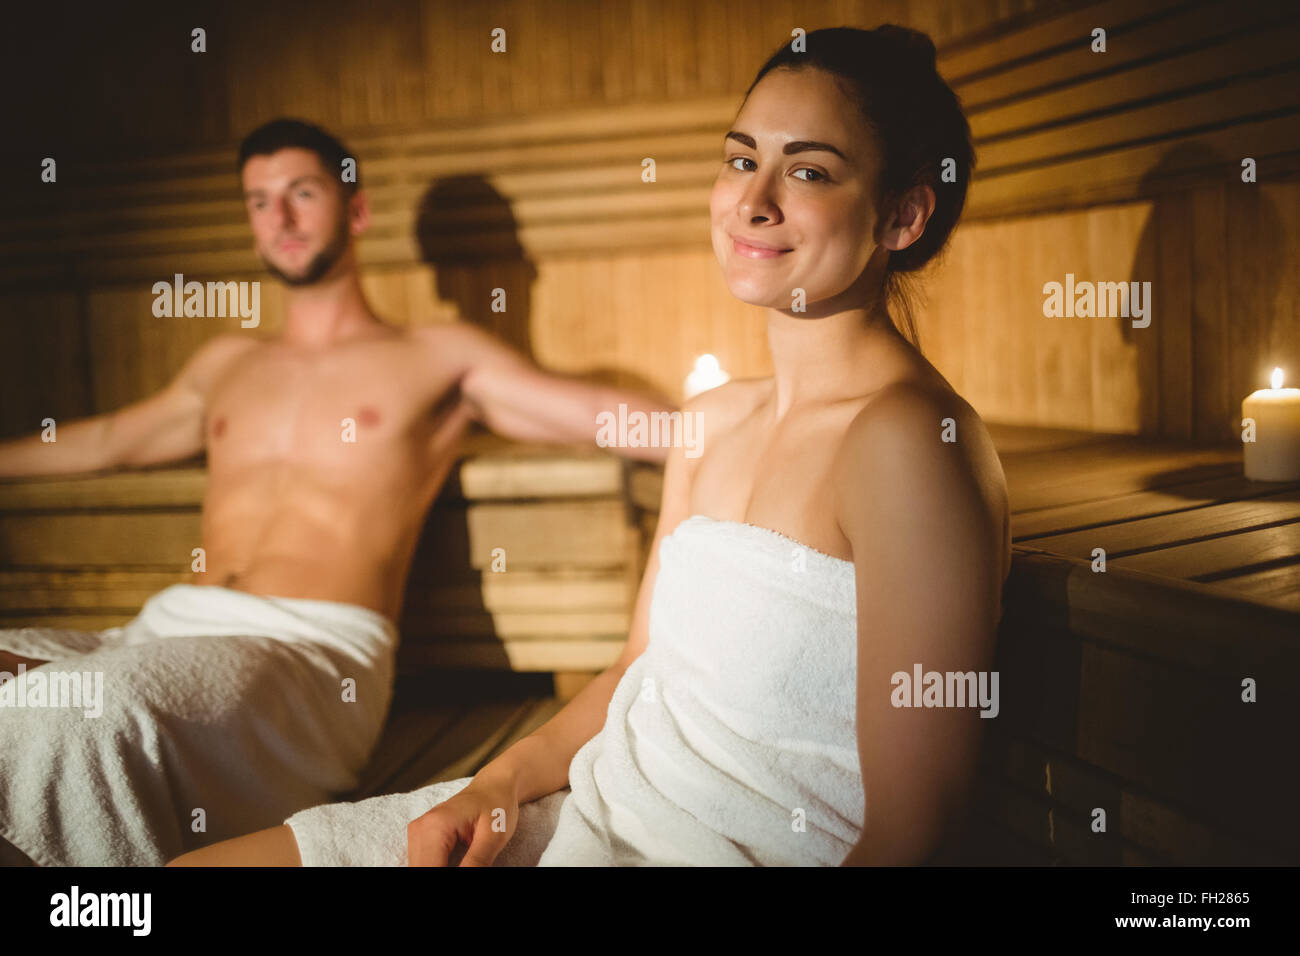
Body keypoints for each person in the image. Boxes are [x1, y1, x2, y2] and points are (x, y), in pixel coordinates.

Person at [171, 24, 1010, 868]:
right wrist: (488, 790)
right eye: (739, 157)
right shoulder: (711, 425)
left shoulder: (911, 443)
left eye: (810, 171)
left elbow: (915, 835)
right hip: (594, 804)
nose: (753, 199)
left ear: (902, 215)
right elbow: (632, 672)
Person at [0, 118, 673, 867]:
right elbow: (105, 440)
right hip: (158, 632)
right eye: (259, 201)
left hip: (309, 650)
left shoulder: (434, 358)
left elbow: (608, 419)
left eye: (301, 193)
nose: (279, 218)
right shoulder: (226, 362)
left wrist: (733, 430)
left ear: (355, 210)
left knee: (83, 715)